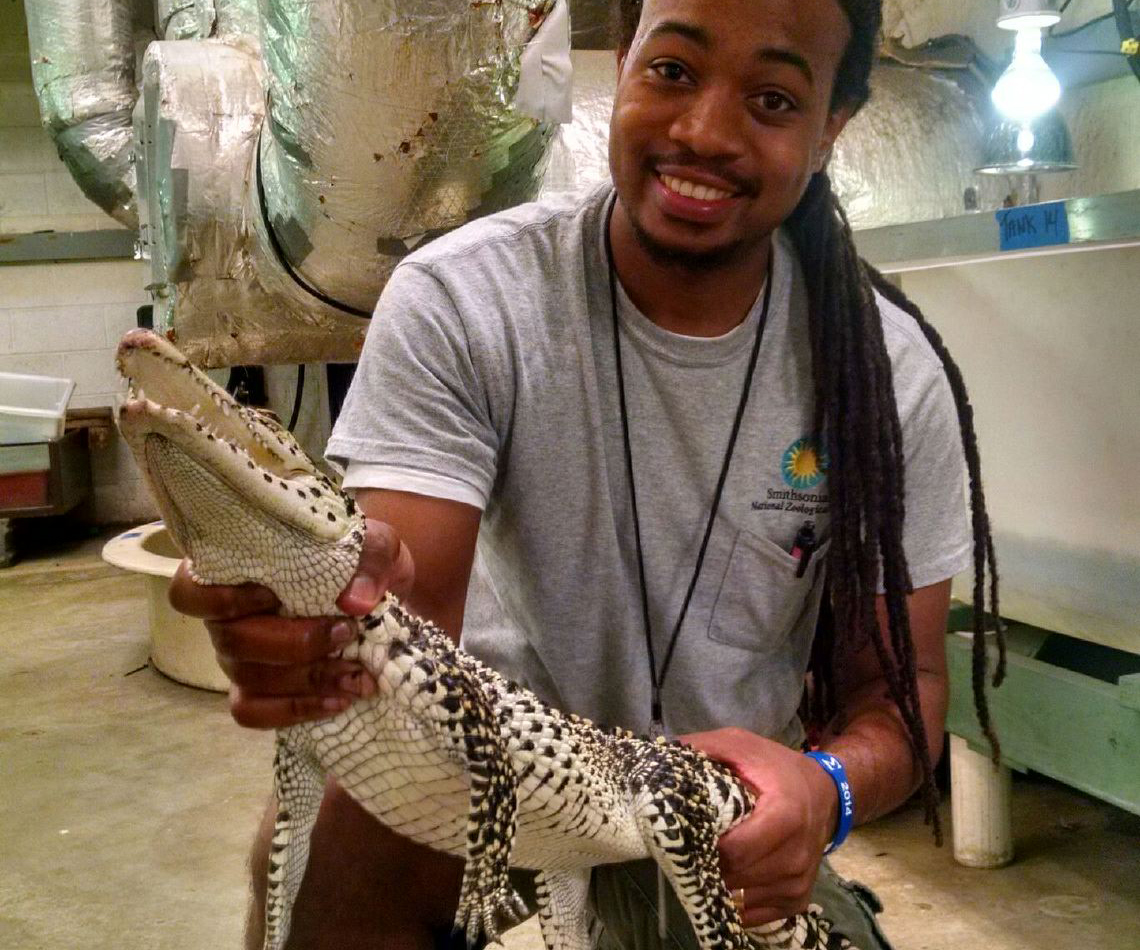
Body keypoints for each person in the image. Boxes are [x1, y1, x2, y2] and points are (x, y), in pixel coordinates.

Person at [170, 1, 1002, 948]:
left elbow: (904, 690)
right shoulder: (466, 299)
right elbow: (402, 623)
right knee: (329, 856)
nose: (703, 133)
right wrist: (316, 620)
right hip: (491, 761)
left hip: (705, 796)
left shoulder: (884, 374)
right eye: (674, 72)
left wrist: (829, 788)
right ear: (624, 66)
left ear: (831, 131)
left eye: (772, 99)